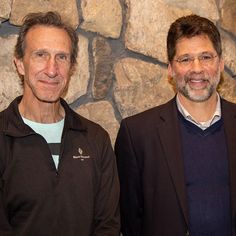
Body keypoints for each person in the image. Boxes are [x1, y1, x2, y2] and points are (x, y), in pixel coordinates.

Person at [115, 14, 236, 236]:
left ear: (220, 64)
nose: (197, 69)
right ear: (170, 69)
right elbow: (130, 220)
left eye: (206, 57)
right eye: (185, 59)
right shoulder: (137, 134)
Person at [0, 11, 120, 236]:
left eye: (62, 57)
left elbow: (108, 226)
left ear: (72, 67)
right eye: (40, 55)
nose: (52, 69)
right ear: (19, 64)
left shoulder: (96, 139)